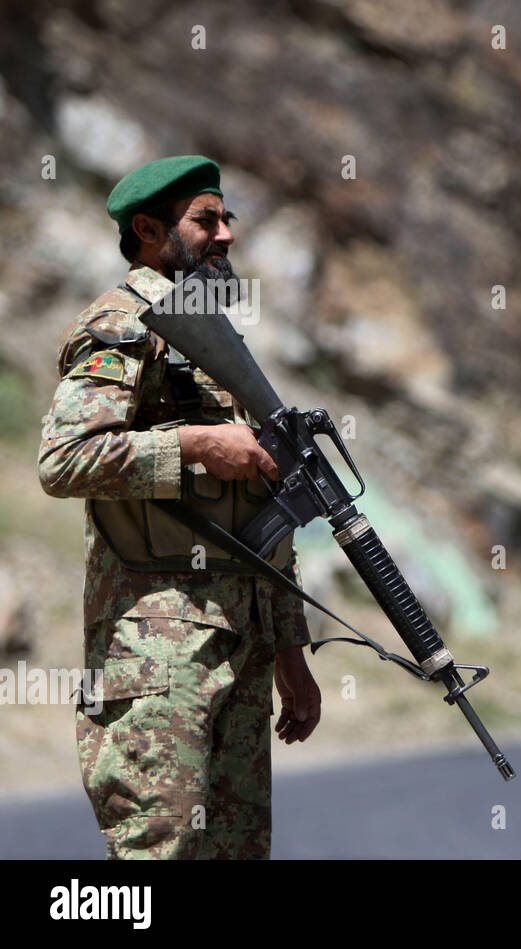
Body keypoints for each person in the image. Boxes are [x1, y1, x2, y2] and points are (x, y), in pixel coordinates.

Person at [37, 155, 321, 859]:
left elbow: (260, 509)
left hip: (238, 645)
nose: (226, 234)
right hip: (156, 654)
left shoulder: (211, 338)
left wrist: (290, 645)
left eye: (227, 218)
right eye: (206, 219)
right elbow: (65, 459)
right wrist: (193, 444)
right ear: (148, 229)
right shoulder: (122, 323)